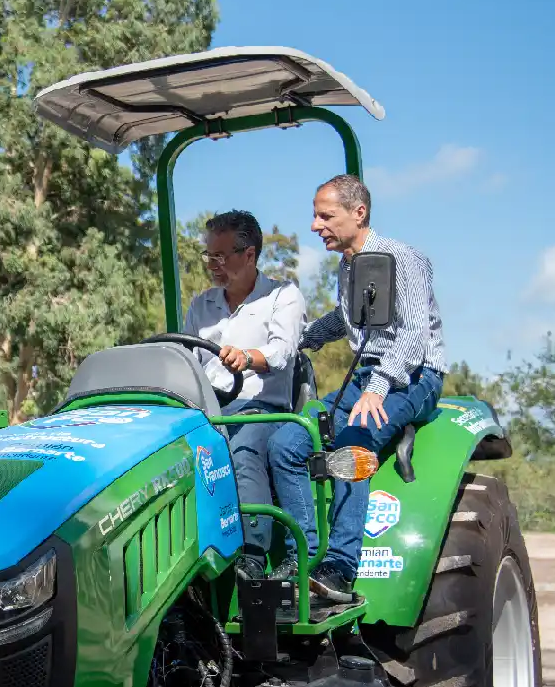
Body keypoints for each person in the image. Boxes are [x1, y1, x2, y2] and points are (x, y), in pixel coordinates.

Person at [267, 174, 447, 603]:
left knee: (351, 445)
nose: (315, 225)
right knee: (288, 441)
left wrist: (380, 387)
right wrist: (301, 339)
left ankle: (340, 568)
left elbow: (414, 334)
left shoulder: (402, 258)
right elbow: (349, 320)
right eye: (315, 215)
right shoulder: (349, 264)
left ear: (358, 213)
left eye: (325, 215)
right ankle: (302, 559)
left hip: (415, 377)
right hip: (364, 376)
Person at [183, 210, 307, 579]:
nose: (212, 265)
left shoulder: (282, 296)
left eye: (221, 256)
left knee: (241, 446)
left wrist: (248, 357)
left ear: (249, 255)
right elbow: (188, 359)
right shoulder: (201, 306)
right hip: (207, 409)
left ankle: (252, 555)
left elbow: (282, 353)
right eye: (209, 256)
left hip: (262, 407)